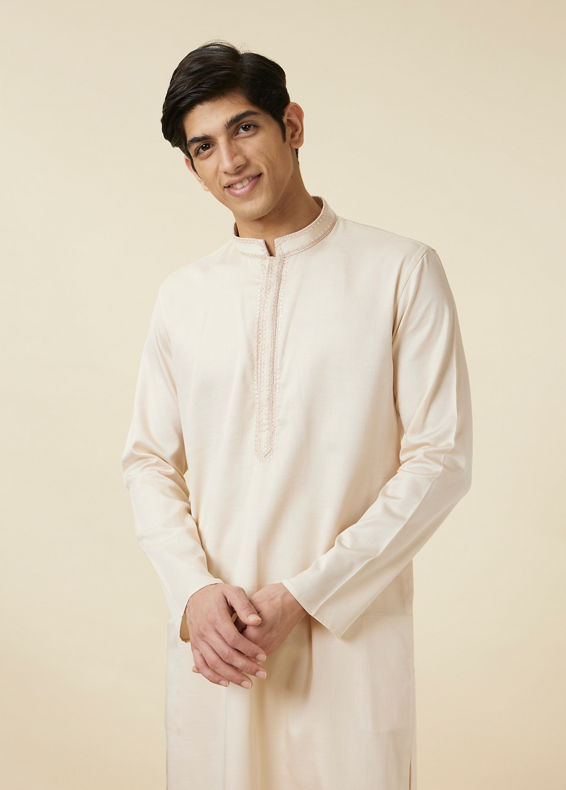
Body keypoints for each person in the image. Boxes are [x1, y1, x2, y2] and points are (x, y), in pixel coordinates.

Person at [120, 40, 473, 790]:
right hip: (220, 649)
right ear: (191, 166)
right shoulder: (183, 298)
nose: (230, 162)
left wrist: (306, 594)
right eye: (204, 147)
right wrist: (192, 591)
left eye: (245, 128)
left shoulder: (400, 271)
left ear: (293, 125)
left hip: (351, 640)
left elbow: (441, 460)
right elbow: (148, 461)